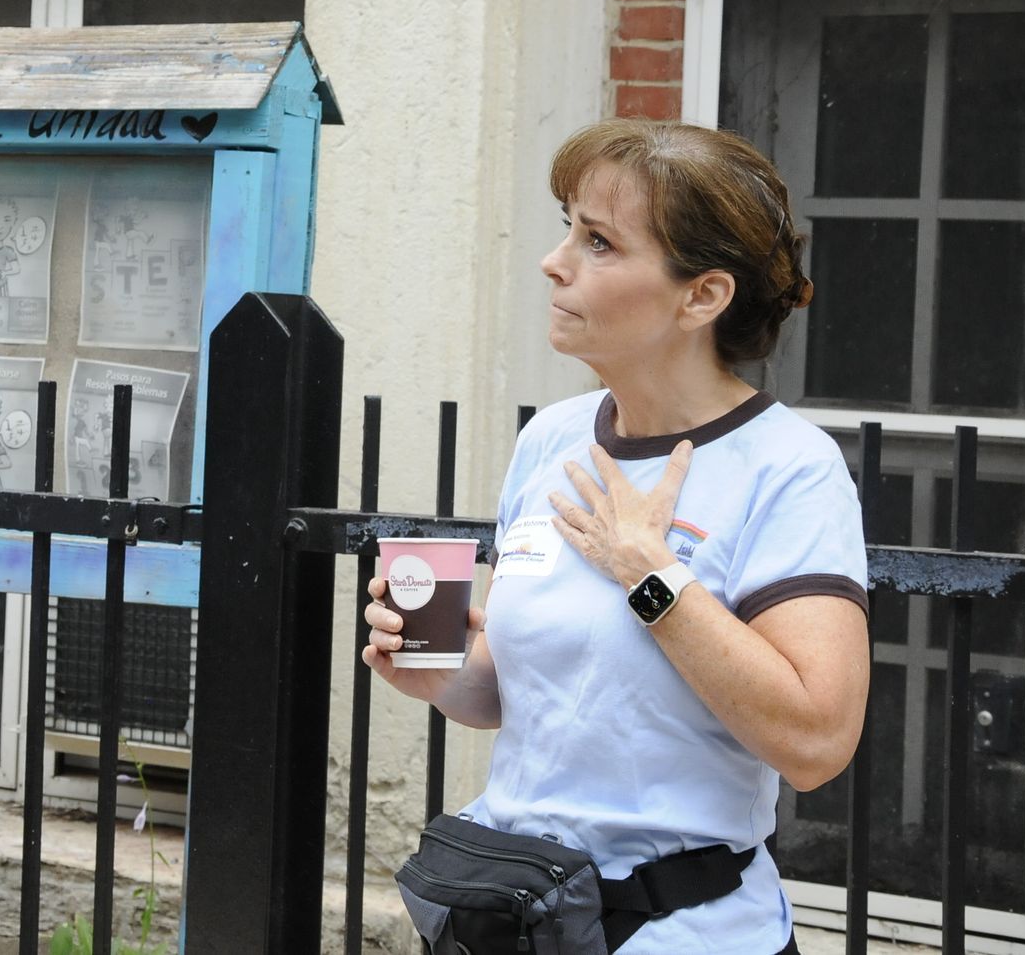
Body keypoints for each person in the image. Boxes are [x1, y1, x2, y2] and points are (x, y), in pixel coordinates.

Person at [363, 118, 870, 954]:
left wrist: (651, 573)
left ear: (701, 296)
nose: (555, 261)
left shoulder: (788, 466)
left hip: (684, 930)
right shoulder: (552, 440)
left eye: (598, 241)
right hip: (517, 915)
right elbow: (517, 698)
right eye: (568, 227)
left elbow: (816, 741)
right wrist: (435, 667)